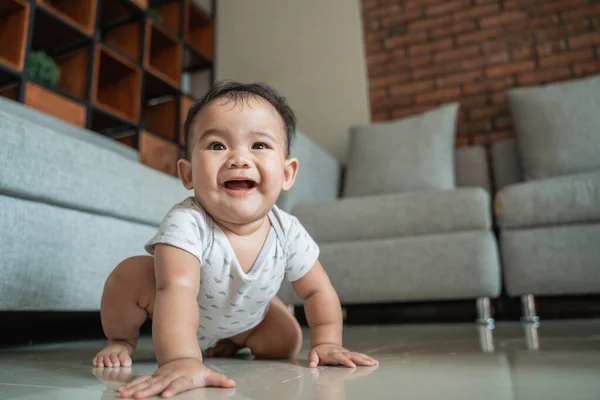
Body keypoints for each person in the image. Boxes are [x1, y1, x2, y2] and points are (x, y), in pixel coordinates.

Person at [92, 80, 378, 399]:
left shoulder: (288, 231)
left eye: (258, 145)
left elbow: (317, 290)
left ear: (287, 174)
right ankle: (121, 339)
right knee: (129, 276)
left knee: (285, 343)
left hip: (244, 319)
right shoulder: (187, 222)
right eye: (217, 146)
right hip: (175, 312)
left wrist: (327, 342)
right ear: (187, 174)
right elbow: (177, 289)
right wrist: (181, 360)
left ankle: (233, 336)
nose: (239, 159)